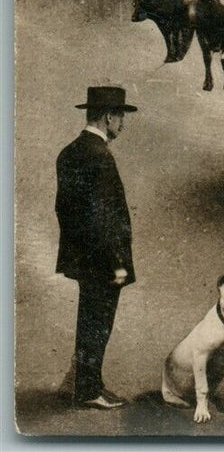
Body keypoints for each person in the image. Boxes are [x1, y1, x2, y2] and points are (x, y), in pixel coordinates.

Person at [55, 86, 137, 410]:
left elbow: (64, 208)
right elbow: (103, 215)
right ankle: (89, 389)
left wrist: (81, 249)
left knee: (88, 318)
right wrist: (116, 261)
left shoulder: (69, 152)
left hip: (81, 255)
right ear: (107, 117)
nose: (122, 125)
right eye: (120, 119)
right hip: (104, 259)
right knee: (98, 322)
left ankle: (81, 382)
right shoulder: (100, 156)